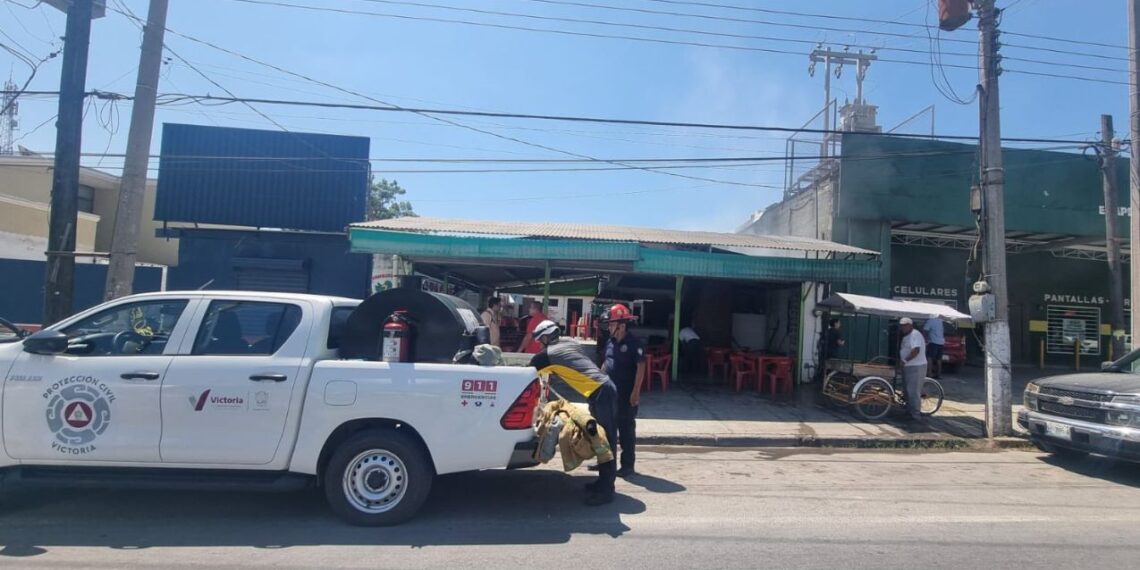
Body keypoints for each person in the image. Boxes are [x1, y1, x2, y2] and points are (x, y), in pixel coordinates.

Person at [528, 320, 619, 506]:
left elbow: (527, 371)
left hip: (601, 391)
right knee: (598, 437)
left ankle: (607, 490)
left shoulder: (547, 354)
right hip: (601, 389)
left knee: (604, 440)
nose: (539, 344)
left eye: (540, 340)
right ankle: (603, 482)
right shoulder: (571, 342)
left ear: (545, 337)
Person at [601, 304, 645, 478]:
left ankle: (627, 465)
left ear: (622, 325)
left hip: (626, 395)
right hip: (610, 394)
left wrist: (636, 392)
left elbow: (641, 367)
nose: (609, 327)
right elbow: (606, 362)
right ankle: (606, 463)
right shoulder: (610, 342)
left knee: (626, 431)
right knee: (606, 431)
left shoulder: (635, 344)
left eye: (612, 324)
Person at [898, 317, 928, 422]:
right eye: (902, 325)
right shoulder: (907, 336)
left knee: (913, 392)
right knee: (907, 391)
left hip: (916, 366)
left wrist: (905, 360)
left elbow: (916, 350)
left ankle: (915, 416)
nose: (903, 327)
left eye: (905, 325)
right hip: (908, 366)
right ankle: (909, 412)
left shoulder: (915, 334)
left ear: (910, 325)